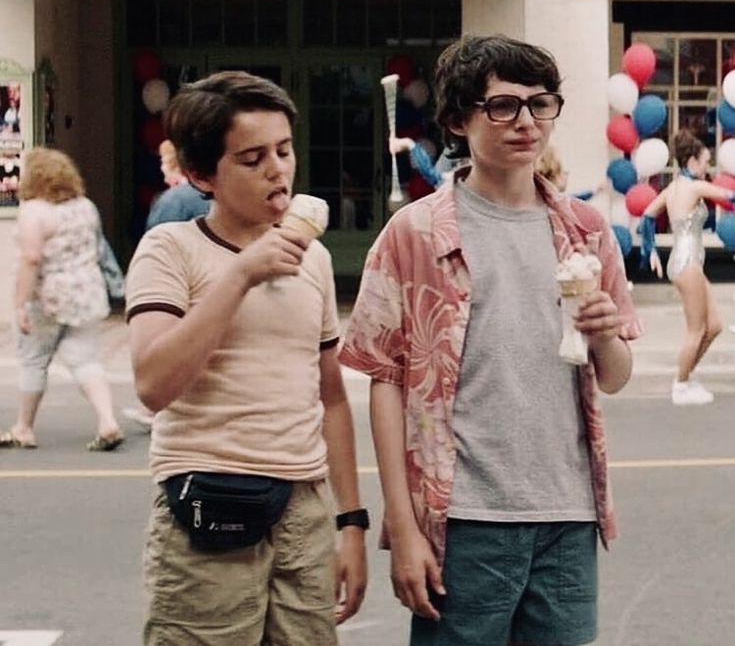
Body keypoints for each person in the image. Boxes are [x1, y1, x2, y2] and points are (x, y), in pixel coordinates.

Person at [340, 35, 641, 646]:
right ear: (458, 119)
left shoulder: (585, 232)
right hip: (464, 519)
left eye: (541, 104)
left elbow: (614, 375)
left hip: (568, 516)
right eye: (503, 106)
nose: (527, 122)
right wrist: (404, 524)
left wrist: (606, 334)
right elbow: (386, 382)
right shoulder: (415, 234)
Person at [125, 70, 368, 646]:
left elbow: (330, 395)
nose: (278, 169)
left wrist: (351, 522)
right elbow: (154, 383)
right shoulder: (170, 249)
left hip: (303, 507)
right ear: (202, 174)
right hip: (208, 503)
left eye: (284, 151)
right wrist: (240, 274)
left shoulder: (311, 258)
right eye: (252, 158)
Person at [0, 147, 124, 451]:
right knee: (85, 359)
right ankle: (108, 421)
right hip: (86, 294)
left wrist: (19, 303)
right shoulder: (85, 207)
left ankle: (24, 427)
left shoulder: (34, 211)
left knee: (33, 360)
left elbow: (31, 258)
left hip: (48, 299)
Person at [639, 129, 733, 406]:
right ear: (692, 162)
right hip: (687, 262)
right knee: (696, 330)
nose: (707, 168)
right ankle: (681, 384)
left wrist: (651, 250)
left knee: (714, 326)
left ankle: (687, 375)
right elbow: (729, 196)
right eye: (705, 162)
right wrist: (649, 250)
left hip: (687, 262)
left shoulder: (673, 187)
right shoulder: (694, 187)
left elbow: (647, 215)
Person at [123, 139, 207, 430]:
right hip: (207, 283)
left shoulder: (174, 201)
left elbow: (156, 244)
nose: (160, 166)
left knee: (170, 346)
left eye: (164, 161)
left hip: (181, 285)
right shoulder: (215, 196)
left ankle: (160, 408)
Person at [144, 138, 207, 230]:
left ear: (170, 162)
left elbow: (158, 239)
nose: (161, 167)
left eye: (162, 161)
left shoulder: (174, 199)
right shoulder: (216, 193)